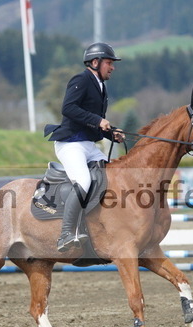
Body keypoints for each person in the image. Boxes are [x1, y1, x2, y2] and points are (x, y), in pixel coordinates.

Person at [44, 42, 124, 252]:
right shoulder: (81, 79)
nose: (112, 67)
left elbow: (92, 122)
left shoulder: (101, 86)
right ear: (95, 62)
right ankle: (66, 233)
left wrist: (111, 133)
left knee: (113, 175)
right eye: (109, 63)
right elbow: (68, 108)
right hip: (71, 144)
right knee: (84, 181)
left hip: (88, 145)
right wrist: (98, 121)